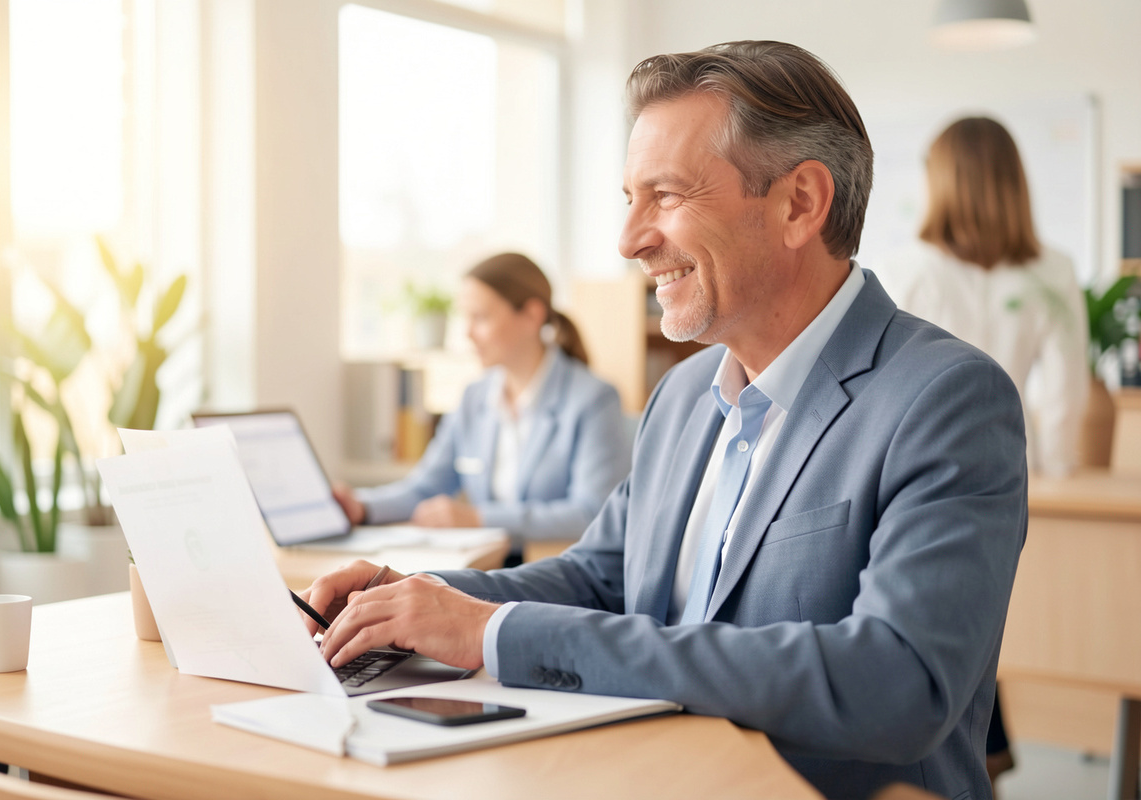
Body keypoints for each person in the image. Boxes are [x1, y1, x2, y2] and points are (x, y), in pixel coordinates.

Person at [303, 41, 1027, 800]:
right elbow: (603, 577)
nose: (630, 240)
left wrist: (492, 635)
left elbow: (895, 682)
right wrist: (418, 602)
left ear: (800, 204)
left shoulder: (946, 398)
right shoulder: (682, 396)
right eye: (629, 199)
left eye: (669, 196)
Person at [333, 252, 630, 565]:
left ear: (531, 315)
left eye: (481, 318)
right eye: (466, 318)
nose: (467, 333)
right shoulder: (474, 398)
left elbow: (591, 511)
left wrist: (478, 517)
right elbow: (426, 488)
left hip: (557, 573)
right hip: (491, 567)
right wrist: (362, 507)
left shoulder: (593, 400)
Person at [884, 116, 1089, 478]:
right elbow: (1064, 392)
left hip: (921, 466)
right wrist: (1055, 474)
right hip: (1017, 463)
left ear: (938, 180)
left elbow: (884, 391)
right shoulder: (1055, 270)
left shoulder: (901, 270)